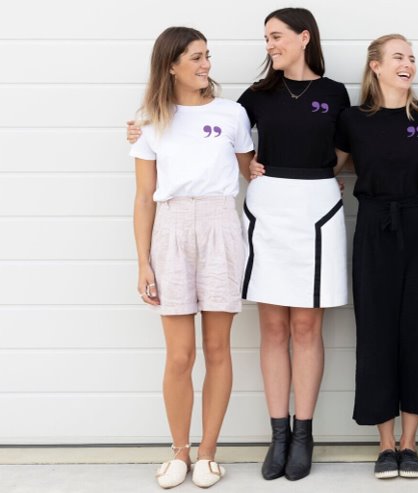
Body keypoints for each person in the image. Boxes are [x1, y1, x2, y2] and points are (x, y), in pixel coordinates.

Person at [128, 7, 350, 481]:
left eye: (275, 36)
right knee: (242, 336)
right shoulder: (249, 99)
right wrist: (138, 129)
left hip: (275, 216)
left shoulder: (323, 95)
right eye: (196, 57)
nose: (268, 44)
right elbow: (194, 159)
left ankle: (293, 436)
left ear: (304, 38)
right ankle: (247, 441)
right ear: (172, 64)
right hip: (226, 220)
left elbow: (345, 144)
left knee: (298, 328)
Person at [252, 33, 418, 481]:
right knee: (378, 331)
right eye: (398, 57)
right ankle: (385, 446)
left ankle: (410, 443)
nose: (408, 64)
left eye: (412, 57)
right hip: (374, 228)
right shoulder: (352, 119)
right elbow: (326, 165)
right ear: (376, 66)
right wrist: (255, 165)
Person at [130, 26, 254, 489]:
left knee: (218, 348)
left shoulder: (232, 114)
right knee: (180, 355)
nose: (205, 65)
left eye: (207, 56)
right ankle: (179, 453)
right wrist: (143, 261)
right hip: (172, 228)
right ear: (171, 65)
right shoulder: (150, 119)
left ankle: (208, 454)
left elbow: (251, 170)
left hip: (222, 224)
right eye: (195, 58)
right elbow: (144, 198)